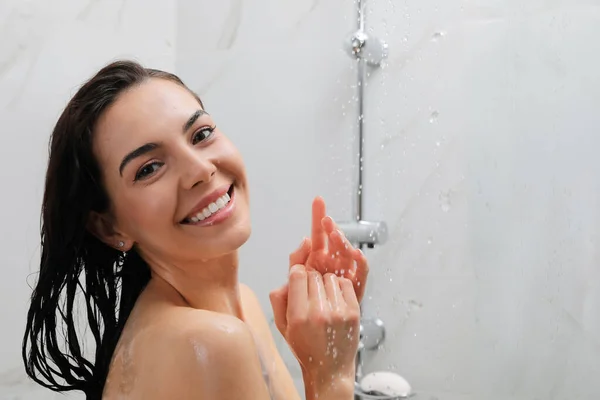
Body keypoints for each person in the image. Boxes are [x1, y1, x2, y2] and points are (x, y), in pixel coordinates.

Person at [22, 60, 369, 400]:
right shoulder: (208, 342)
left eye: (201, 134)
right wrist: (330, 375)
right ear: (109, 227)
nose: (200, 169)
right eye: (150, 168)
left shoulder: (238, 307)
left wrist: (320, 342)